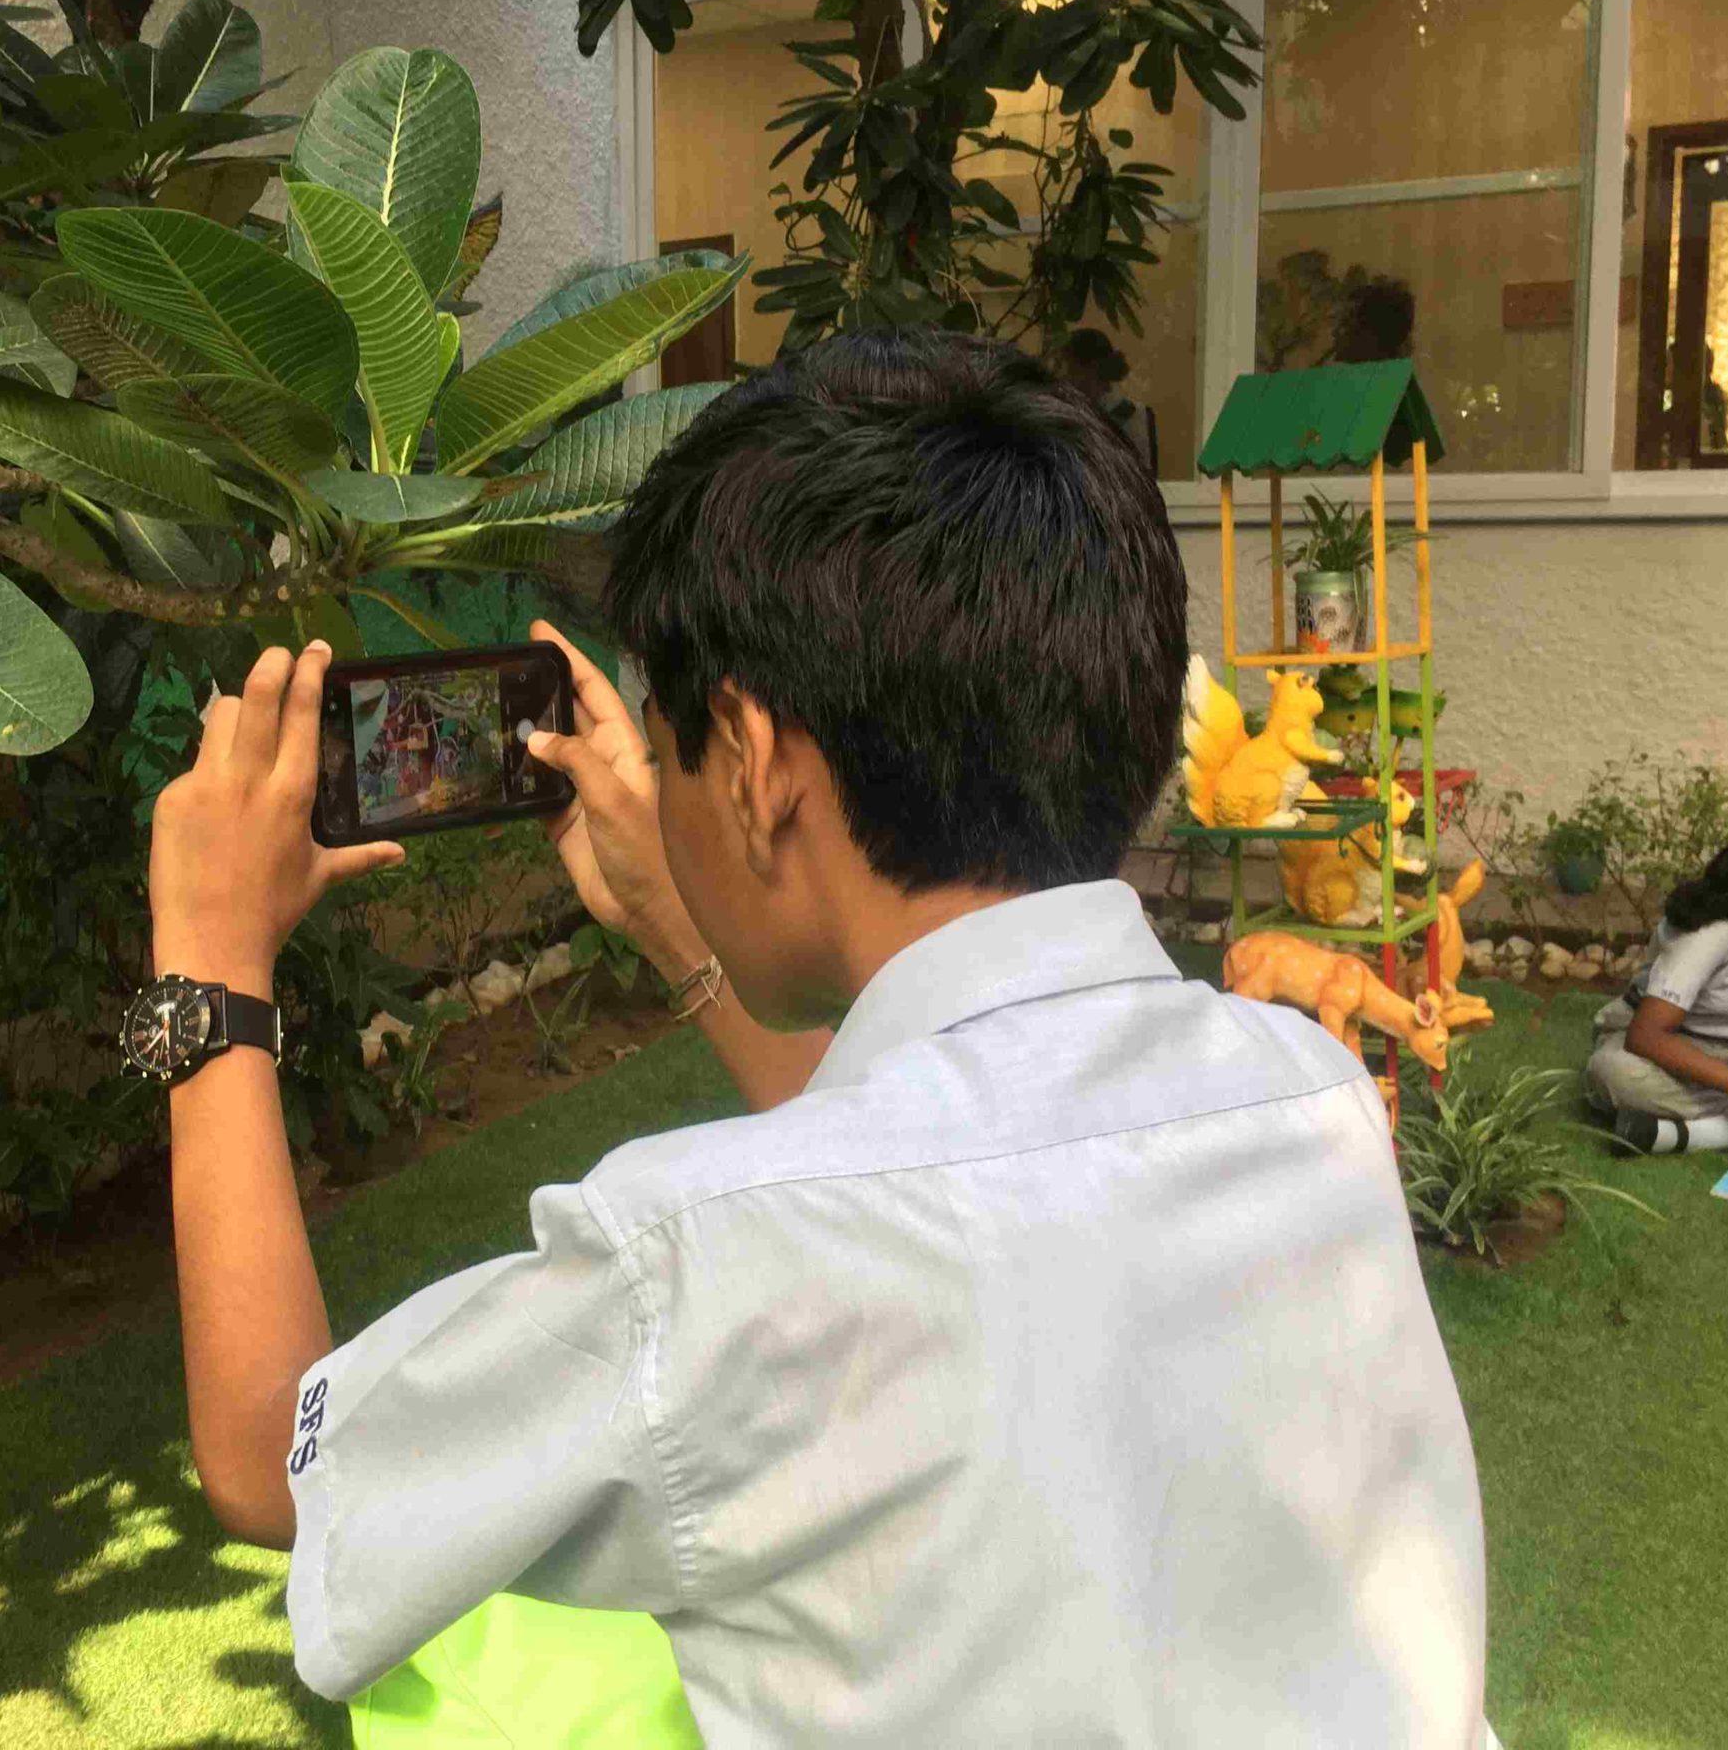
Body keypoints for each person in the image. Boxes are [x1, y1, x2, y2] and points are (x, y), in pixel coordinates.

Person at [139, 330, 1490, 1746]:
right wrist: (678, 919)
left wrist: (211, 967)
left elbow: (275, 1456)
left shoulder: (691, 1271)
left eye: (670, 749)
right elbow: (930, 1173)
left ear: (754, 761)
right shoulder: (1312, 1099)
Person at [1586, 843, 1728, 1160]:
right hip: (1670, 1049)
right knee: (1614, 1073)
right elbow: (1645, 1036)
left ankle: (1679, 1134)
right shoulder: (1713, 934)